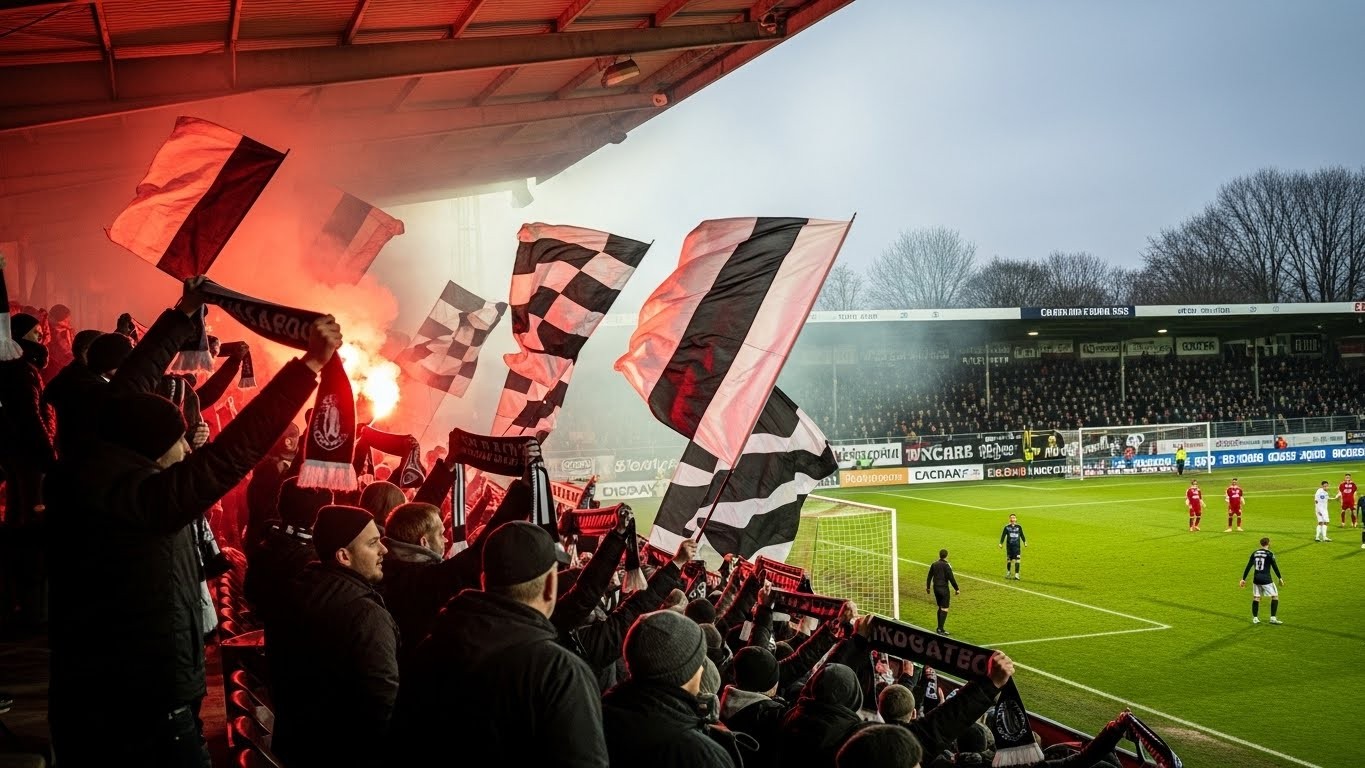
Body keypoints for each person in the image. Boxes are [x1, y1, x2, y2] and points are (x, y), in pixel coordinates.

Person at [44, 290, 340, 768]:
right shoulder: (142, 502)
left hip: (91, 694)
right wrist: (307, 369)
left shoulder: (92, 459)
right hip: (145, 711)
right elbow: (230, 456)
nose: (188, 449)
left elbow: (131, 383)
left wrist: (181, 316)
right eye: (179, 442)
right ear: (151, 451)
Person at [268, 505, 398, 768]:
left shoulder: (296, 591)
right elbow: (382, 699)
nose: (384, 550)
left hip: (296, 744)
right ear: (344, 556)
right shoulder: (365, 615)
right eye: (373, 543)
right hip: (347, 752)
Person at [1239, 536, 1283, 625]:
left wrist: (1243, 579)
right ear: (1268, 543)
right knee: (1275, 596)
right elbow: (1274, 567)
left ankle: (1255, 618)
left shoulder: (1255, 553)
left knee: (1256, 597)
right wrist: (1280, 578)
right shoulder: (1269, 554)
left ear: (1260, 544)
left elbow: (1248, 566)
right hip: (1266, 579)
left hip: (1256, 579)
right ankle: (1273, 618)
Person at [925, 549, 959, 635]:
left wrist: (928, 587)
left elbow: (929, 576)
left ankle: (940, 628)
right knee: (945, 608)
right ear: (947, 556)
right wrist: (957, 589)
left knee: (940, 607)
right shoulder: (947, 565)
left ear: (939, 555)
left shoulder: (934, 564)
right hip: (944, 589)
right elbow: (951, 578)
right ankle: (940, 629)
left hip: (936, 588)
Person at [998, 513, 1026, 580]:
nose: (1013, 519)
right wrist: (1001, 543)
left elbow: (1022, 535)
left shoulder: (1019, 527)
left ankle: (1016, 575)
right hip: (1009, 547)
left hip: (1017, 547)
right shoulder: (1006, 527)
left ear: (1016, 519)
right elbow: (1003, 535)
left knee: (1017, 560)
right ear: (1009, 519)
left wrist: (1025, 542)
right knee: (1009, 560)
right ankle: (1008, 572)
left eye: (1014, 517)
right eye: (1011, 518)